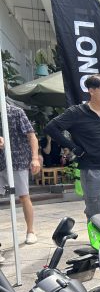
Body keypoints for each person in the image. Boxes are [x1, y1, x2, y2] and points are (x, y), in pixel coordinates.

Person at [45, 74, 100, 221]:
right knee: (95, 216)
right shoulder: (76, 112)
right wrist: (73, 148)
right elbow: (51, 128)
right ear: (91, 91)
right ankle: (97, 237)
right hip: (92, 172)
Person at [0, 101, 41, 244]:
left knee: (23, 196)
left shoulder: (16, 112)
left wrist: (35, 158)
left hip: (18, 160)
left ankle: (30, 231)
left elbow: (31, 136)